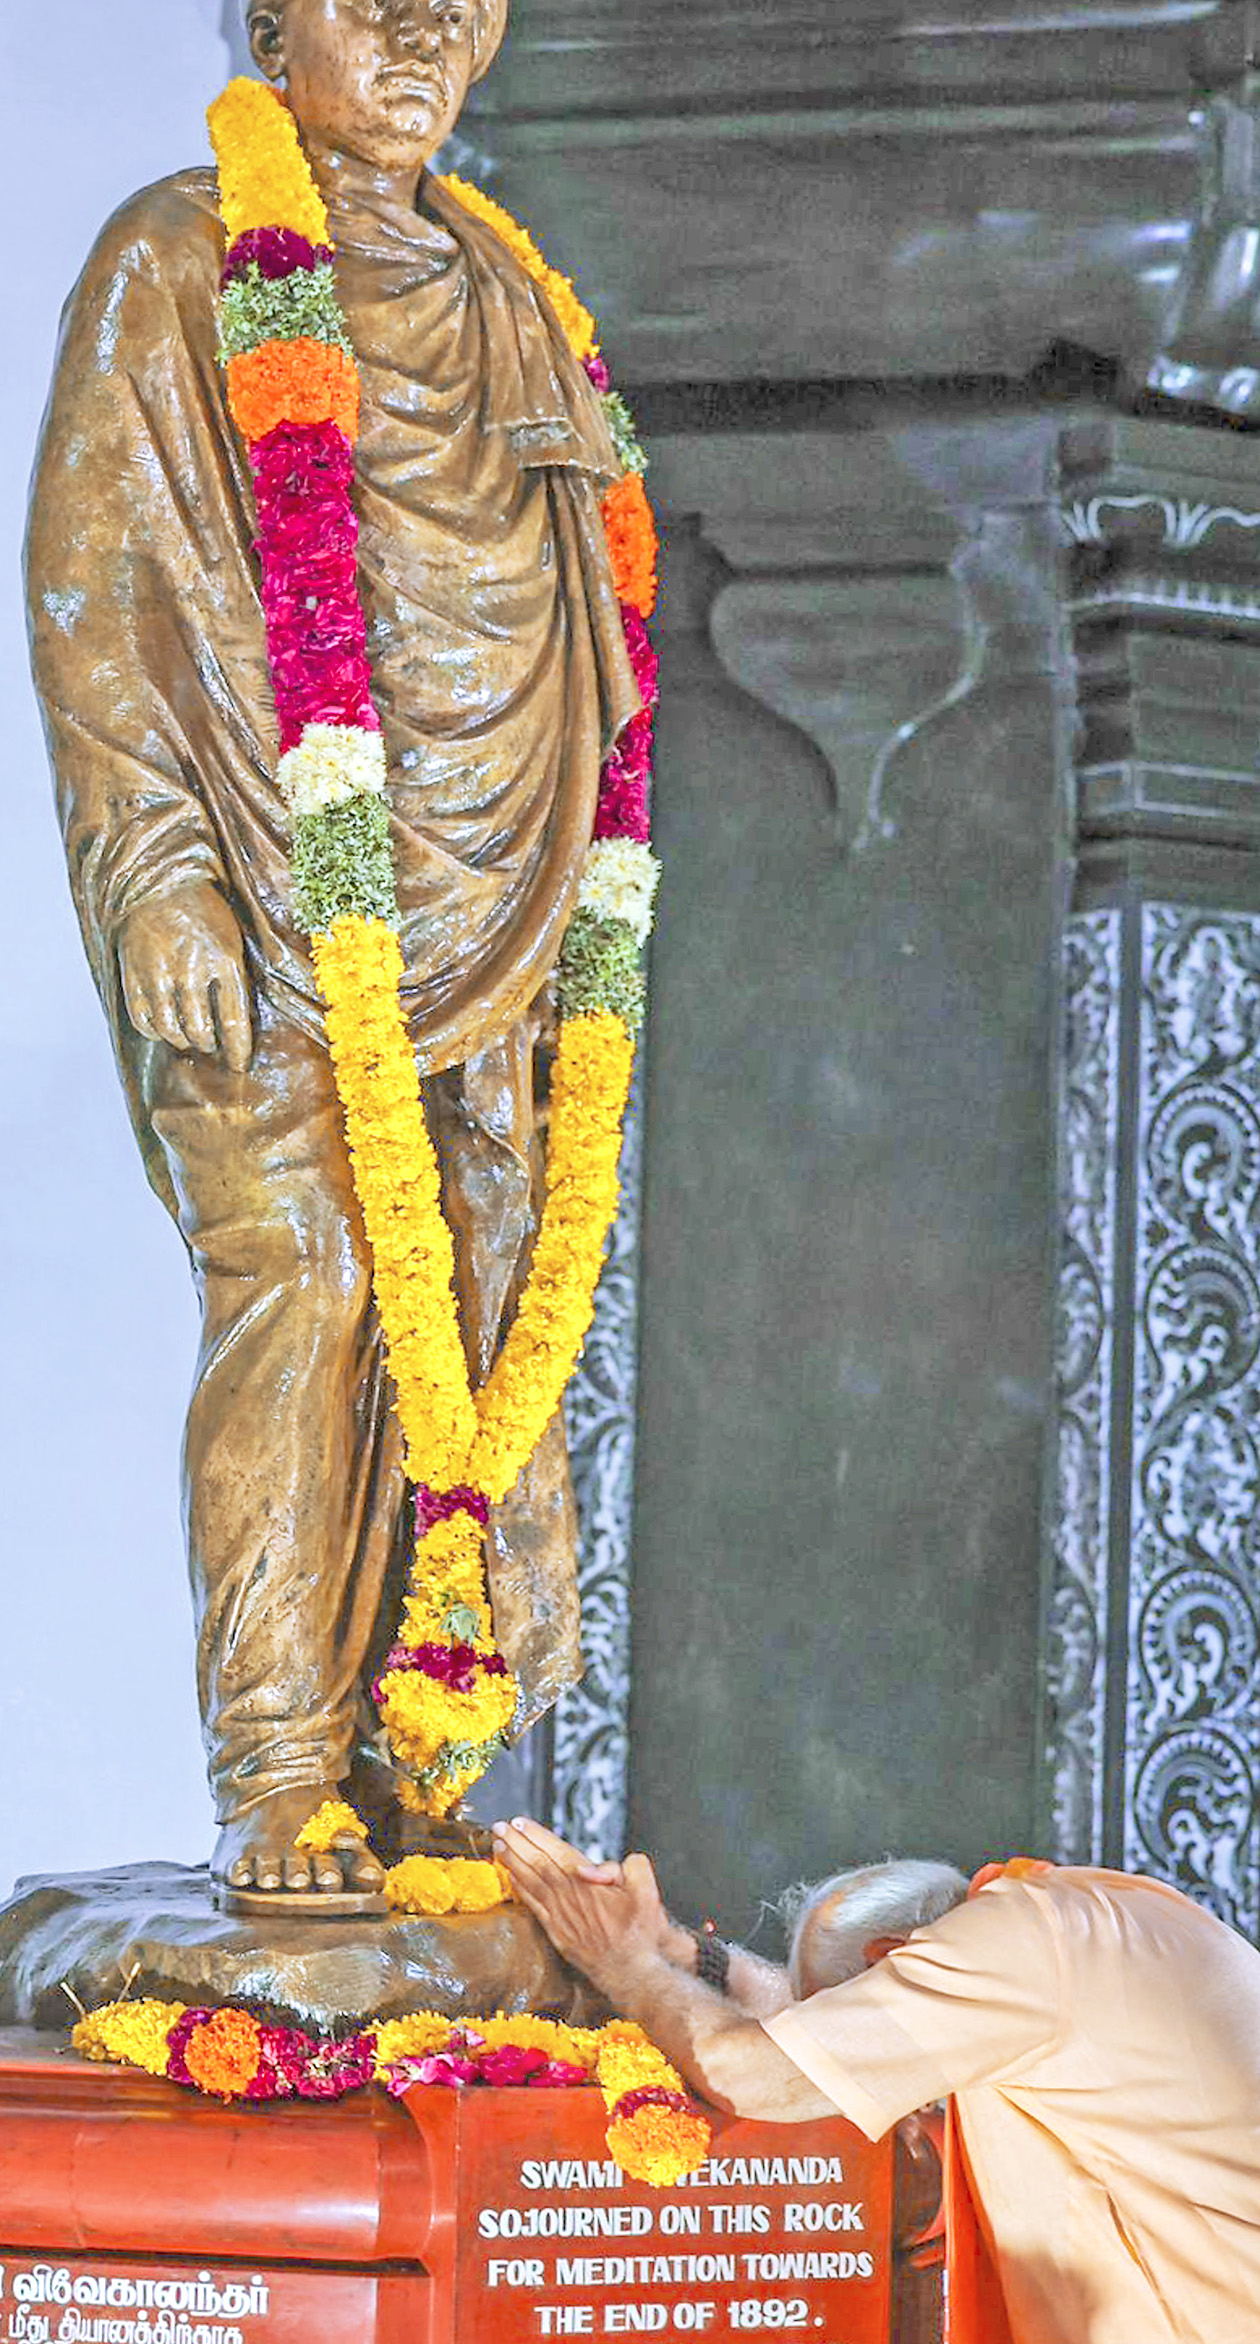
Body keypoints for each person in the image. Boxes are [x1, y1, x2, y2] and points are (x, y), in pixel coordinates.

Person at [26, 0, 638, 1902]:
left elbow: (576, 621)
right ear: (261, 14)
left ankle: (415, 1764)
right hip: (258, 866)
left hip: (499, 899)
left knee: (472, 1294)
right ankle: (277, 1769)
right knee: (301, 1270)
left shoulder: (514, 298)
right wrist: (155, 873)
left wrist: (568, 905)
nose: (425, 28)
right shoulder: (180, 256)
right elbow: (98, 578)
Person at [495, 1818, 1260, 2344]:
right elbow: (809, 2024)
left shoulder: (1023, 1946)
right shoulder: (1082, 1926)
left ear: (887, 1959)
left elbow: (753, 2071)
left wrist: (621, 1965)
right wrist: (680, 1952)